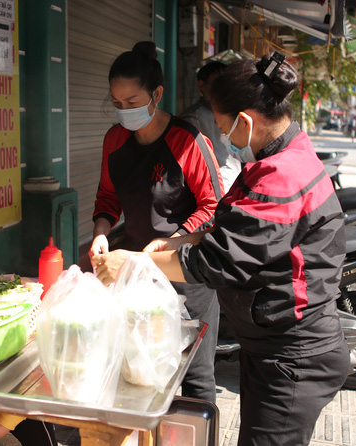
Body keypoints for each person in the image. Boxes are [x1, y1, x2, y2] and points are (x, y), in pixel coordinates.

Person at [92, 52, 349, 446]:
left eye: (224, 127)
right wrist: (179, 239)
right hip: (271, 346)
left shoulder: (280, 179)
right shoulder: (278, 159)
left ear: (244, 122)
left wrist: (139, 261)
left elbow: (216, 260)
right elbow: (227, 224)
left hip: (293, 354)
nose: (223, 136)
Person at [89, 41, 224, 404]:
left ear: (156, 94)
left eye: (132, 103)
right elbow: (107, 197)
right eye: (116, 104)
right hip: (133, 276)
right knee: (137, 369)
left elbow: (213, 207)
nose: (123, 112)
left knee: (195, 376)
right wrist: (101, 235)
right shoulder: (114, 140)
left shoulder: (189, 142)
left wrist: (174, 241)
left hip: (187, 276)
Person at [181, 61, 241, 189]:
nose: (222, 90)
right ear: (202, 85)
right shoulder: (193, 118)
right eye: (217, 84)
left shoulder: (234, 114)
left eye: (226, 84)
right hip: (212, 191)